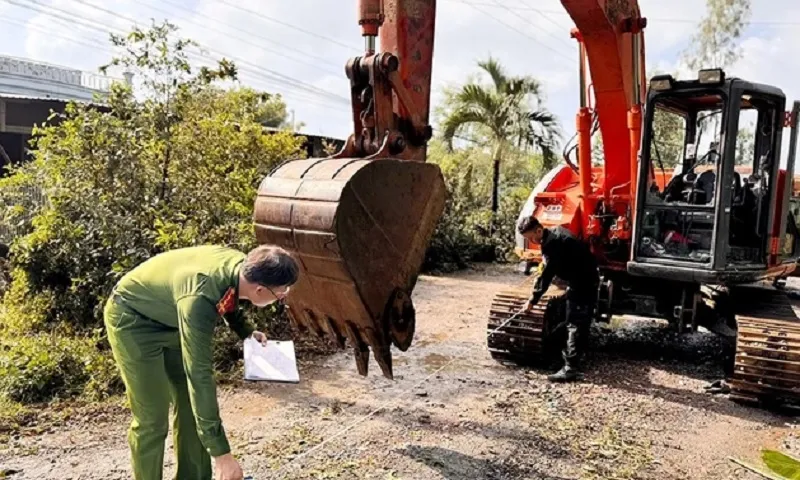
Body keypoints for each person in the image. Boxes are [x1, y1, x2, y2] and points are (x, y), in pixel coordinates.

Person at [103, 244, 299, 480]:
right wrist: (223, 457)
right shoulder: (199, 298)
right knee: (152, 418)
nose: (282, 296)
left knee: (188, 405)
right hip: (133, 320)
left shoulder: (241, 269)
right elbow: (200, 375)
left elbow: (228, 297)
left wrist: (246, 331)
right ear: (259, 290)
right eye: (280, 294)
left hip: (172, 317)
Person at [519, 216, 599, 382]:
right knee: (575, 320)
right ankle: (564, 357)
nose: (532, 241)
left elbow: (547, 276)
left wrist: (532, 301)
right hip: (583, 278)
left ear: (539, 231)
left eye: (531, 237)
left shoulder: (552, 243)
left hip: (583, 282)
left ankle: (570, 368)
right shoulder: (555, 233)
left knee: (574, 323)